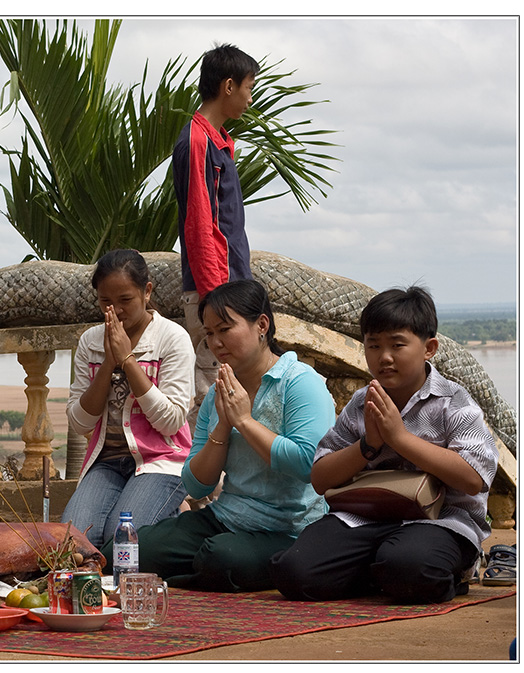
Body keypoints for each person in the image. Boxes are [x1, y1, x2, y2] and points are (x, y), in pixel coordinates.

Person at [270, 286, 498, 604]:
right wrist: (368, 445)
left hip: (441, 522)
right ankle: (385, 571)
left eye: (397, 345)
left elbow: (474, 478)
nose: (384, 357)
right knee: (294, 572)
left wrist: (400, 438)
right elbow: (321, 478)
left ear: (429, 348)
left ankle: (429, 573)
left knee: (410, 566)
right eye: (374, 345)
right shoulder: (363, 403)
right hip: (364, 518)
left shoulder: (453, 402)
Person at [106, 279, 336, 591]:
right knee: (131, 550)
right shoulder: (219, 391)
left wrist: (244, 420)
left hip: (288, 529)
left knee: (221, 558)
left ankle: (184, 578)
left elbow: (308, 465)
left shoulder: (299, 383)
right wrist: (223, 427)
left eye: (225, 329)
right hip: (225, 518)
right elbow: (197, 484)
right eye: (210, 333)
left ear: (262, 325)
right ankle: (192, 573)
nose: (215, 342)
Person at [61, 249, 195, 549]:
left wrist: (128, 360)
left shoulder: (172, 338)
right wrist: (108, 363)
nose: (116, 311)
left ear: (146, 292)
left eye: (125, 300)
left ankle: (175, 511)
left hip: (161, 460)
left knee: (120, 542)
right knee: (72, 545)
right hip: (107, 463)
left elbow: (172, 421)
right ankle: (164, 512)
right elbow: (81, 422)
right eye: (106, 302)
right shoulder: (91, 342)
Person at [173, 43, 260, 411]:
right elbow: (198, 223)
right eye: (249, 88)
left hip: (230, 289)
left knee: (234, 391)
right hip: (216, 293)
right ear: (228, 86)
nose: (249, 99)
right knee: (212, 397)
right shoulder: (197, 141)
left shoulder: (218, 141)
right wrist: (215, 299)